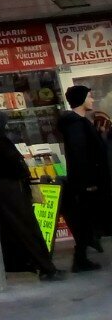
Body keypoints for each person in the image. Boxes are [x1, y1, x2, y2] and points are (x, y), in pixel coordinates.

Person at [0, 111, 62, 281]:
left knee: (3, 229)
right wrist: (24, 174)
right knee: (25, 226)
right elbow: (12, 161)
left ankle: (3, 266)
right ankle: (45, 267)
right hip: (9, 189)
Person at [57, 85, 111, 272]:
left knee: (87, 222)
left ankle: (80, 259)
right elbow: (81, 155)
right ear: (80, 99)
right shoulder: (76, 125)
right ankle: (80, 260)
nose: (92, 100)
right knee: (87, 221)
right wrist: (88, 183)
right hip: (87, 183)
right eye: (89, 96)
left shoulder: (79, 122)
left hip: (89, 181)